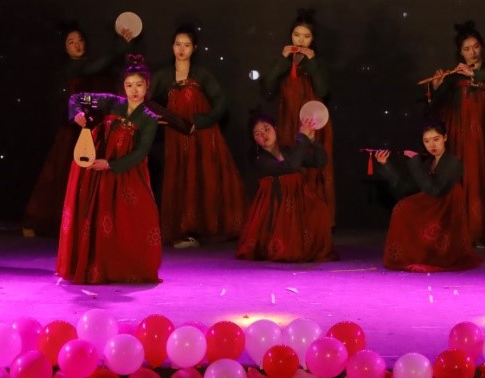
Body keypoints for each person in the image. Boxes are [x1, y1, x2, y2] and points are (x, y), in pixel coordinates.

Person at [57, 55, 162, 284]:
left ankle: (127, 267)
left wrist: (111, 165)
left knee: (132, 221)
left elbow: (141, 153)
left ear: (147, 85)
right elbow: (76, 98)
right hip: (98, 169)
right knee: (97, 218)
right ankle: (96, 265)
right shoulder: (113, 102)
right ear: (123, 86)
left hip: (127, 172)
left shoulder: (150, 118)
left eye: (139, 85)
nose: (134, 90)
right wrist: (77, 113)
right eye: (129, 85)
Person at [150, 25, 247, 248]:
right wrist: (156, 118)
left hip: (201, 135)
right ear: (172, 46)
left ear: (194, 48)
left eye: (186, 45)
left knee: (202, 177)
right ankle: (183, 229)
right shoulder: (163, 76)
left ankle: (203, 227)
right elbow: (146, 100)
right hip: (176, 136)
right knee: (181, 176)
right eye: (177, 44)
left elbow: (221, 102)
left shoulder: (202, 74)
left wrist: (201, 121)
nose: (181, 49)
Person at [22, 25, 116, 237]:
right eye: (71, 42)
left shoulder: (93, 68)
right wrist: (120, 46)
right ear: (65, 48)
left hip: (92, 126)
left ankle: (86, 221)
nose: (77, 45)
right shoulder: (71, 68)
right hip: (72, 127)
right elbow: (91, 71)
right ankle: (48, 221)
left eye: (80, 40)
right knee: (62, 172)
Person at [429, 20, 485, 247]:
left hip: (482, 138)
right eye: (466, 49)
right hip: (459, 137)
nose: (472, 52)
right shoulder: (454, 76)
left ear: (482, 47)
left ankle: (478, 233)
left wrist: (474, 74)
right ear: (460, 53)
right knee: (458, 181)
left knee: (480, 181)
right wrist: (437, 87)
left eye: (475, 47)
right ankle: (457, 233)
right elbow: (436, 107)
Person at [376, 120, 481, 273]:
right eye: (426, 141)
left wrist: (416, 163)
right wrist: (386, 165)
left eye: (436, 139)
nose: (432, 145)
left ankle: (429, 255)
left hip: (445, 205)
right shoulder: (428, 163)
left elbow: (436, 190)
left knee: (404, 208)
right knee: (402, 207)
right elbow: (408, 189)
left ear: (445, 137)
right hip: (433, 203)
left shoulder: (453, 162)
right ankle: (413, 255)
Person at [261, 9, 335, 224]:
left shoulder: (318, 63)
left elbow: (323, 91)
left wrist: (311, 63)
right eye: (296, 35)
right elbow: (267, 87)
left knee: (314, 168)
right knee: (291, 166)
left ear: (313, 39)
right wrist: (283, 60)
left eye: (306, 36)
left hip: (314, 123)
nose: (301, 40)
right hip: (289, 123)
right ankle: (290, 218)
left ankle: (316, 219)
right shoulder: (284, 61)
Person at [235, 113, 335, 262]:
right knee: (284, 250)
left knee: (319, 211)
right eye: (258, 133)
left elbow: (320, 161)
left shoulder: (287, 151)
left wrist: (312, 140)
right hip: (277, 206)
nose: (264, 135)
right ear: (254, 139)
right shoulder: (260, 160)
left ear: (275, 129)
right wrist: (302, 138)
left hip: (297, 199)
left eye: (266, 129)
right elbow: (291, 166)